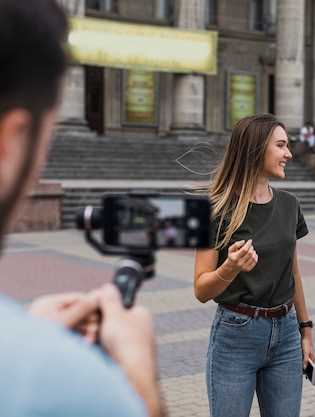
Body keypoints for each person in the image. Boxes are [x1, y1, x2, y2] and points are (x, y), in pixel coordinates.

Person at [0, 1, 162, 416]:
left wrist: (26, 333)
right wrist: (139, 379)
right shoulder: (61, 383)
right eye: (47, 136)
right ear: (10, 142)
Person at [194, 113, 315, 417]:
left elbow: (293, 271)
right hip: (236, 334)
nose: (289, 153)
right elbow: (201, 289)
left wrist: (306, 329)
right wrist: (230, 268)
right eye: (281, 145)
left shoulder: (289, 205)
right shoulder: (215, 208)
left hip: (286, 333)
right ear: (256, 148)